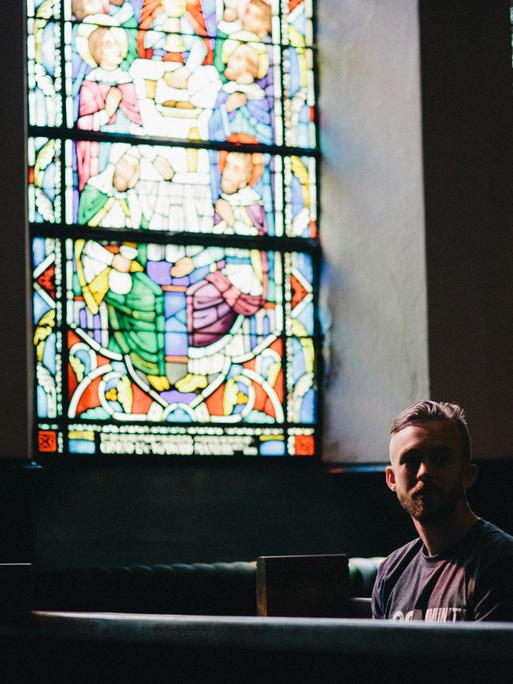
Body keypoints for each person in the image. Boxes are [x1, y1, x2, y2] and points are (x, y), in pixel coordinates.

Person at [372, 400, 513, 622]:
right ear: (391, 479)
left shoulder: (501, 563)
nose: (425, 472)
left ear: (467, 474)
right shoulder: (391, 572)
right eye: (411, 460)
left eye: (441, 459)